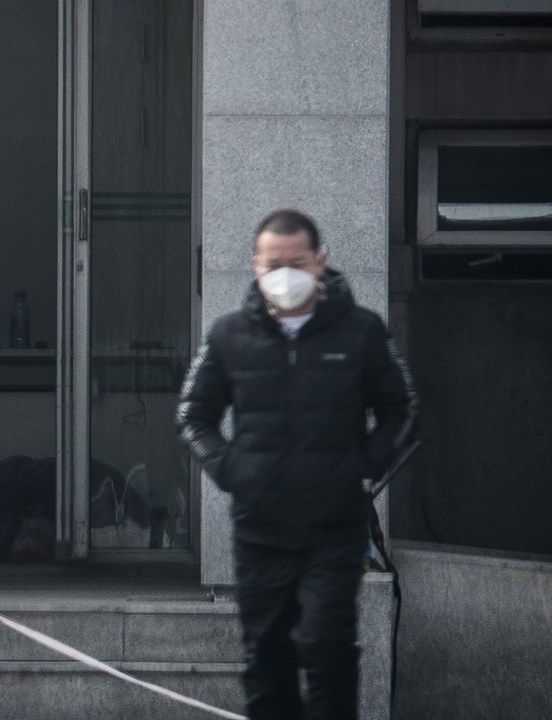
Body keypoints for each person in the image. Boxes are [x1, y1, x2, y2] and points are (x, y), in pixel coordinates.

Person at [176, 209, 417, 719]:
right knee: (267, 660)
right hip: (259, 530)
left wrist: (365, 465)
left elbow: (402, 410)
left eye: (297, 262)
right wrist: (229, 469)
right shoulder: (229, 335)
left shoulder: (361, 331)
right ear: (256, 266)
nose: (285, 274)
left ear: (320, 262)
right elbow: (193, 414)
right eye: (273, 264)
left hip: (335, 528)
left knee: (327, 645)